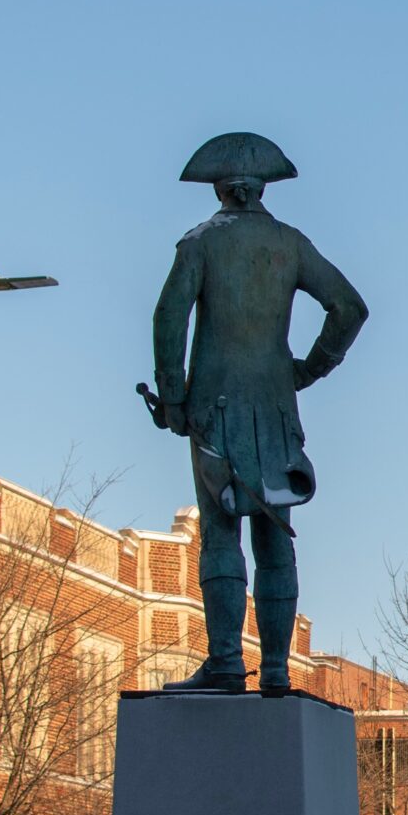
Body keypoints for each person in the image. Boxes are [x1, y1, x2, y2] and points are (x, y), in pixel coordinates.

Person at [146, 131, 368, 695]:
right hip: (274, 405)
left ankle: (225, 661)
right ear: (261, 189)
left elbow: (169, 317)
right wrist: (308, 369)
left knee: (221, 532)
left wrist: (173, 399)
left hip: (212, 408)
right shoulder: (289, 243)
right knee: (276, 530)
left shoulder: (199, 243)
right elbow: (350, 308)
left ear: (220, 189)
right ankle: (273, 667)